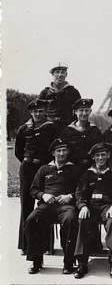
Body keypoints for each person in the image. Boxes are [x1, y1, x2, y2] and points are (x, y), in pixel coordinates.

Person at [24, 139, 80, 274]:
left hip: (66, 206)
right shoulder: (44, 169)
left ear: (68, 152)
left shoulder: (74, 169)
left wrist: (70, 196)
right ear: (53, 153)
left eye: (64, 150)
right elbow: (33, 190)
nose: (61, 154)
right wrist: (43, 195)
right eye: (58, 151)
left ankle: (68, 262)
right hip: (47, 206)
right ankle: (36, 260)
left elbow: (81, 190)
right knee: (31, 220)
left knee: (70, 220)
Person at [74, 143, 112, 279]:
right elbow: (79, 193)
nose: (100, 158)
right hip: (90, 206)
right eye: (97, 156)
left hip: (106, 207)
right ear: (93, 158)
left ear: (108, 155)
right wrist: (82, 206)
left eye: (103, 155)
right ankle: (82, 263)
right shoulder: (87, 173)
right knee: (82, 220)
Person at [15, 99, 59, 253]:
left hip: (44, 168)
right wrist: (28, 162)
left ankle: (45, 245)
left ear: (45, 111)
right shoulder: (23, 129)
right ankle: (26, 244)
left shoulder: (51, 128)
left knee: (44, 205)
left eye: (41, 111)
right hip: (27, 168)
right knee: (26, 205)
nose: (38, 114)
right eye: (35, 111)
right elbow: (18, 151)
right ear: (30, 113)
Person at [61, 98, 102, 174]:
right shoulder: (67, 131)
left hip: (92, 169)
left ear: (90, 112)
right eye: (81, 110)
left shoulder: (95, 130)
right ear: (75, 112)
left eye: (87, 110)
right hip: (72, 169)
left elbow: (100, 149)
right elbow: (63, 151)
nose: (84, 113)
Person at [39, 63, 81, 130]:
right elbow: (38, 110)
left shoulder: (73, 92)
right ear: (52, 74)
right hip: (48, 128)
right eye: (57, 72)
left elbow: (79, 111)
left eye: (62, 72)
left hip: (67, 127)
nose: (60, 75)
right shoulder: (45, 92)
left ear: (66, 75)